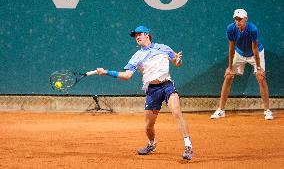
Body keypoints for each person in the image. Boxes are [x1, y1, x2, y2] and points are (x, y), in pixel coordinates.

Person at [85, 26, 193, 160]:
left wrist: (178, 59)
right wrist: (106, 72)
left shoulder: (164, 48)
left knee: (176, 112)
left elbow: (177, 63)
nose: (137, 37)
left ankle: (188, 146)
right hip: (152, 90)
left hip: (167, 85)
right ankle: (152, 144)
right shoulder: (137, 56)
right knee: (148, 127)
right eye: (135, 36)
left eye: (139, 34)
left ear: (147, 35)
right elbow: (127, 75)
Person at [210, 9, 273, 120]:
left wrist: (258, 68)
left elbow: (254, 49)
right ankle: (221, 110)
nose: (238, 22)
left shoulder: (252, 29)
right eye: (236, 19)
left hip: (255, 53)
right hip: (239, 53)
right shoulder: (231, 29)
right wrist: (230, 67)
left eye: (240, 19)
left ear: (245, 19)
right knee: (228, 76)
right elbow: (231, 48)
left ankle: (267, 110)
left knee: (261, 77)